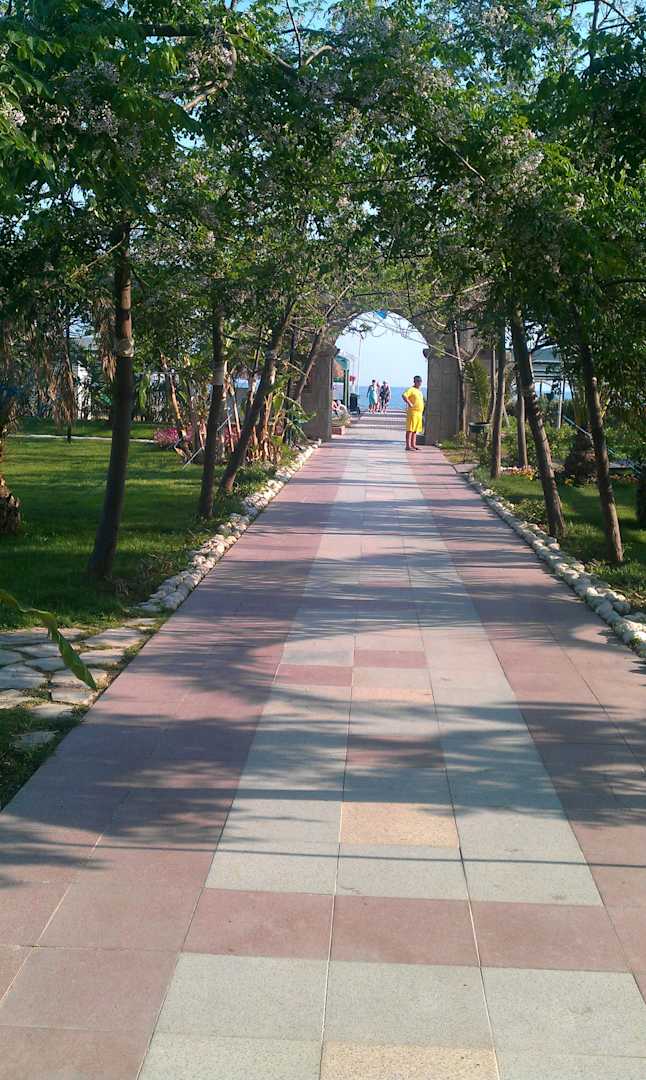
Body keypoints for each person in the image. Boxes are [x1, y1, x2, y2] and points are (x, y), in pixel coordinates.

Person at [402, 376, 424, 451]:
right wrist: (409, 403)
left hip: (419, 413)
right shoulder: (411, 389)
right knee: (410, 429)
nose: (419, 383)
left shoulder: (419, 391)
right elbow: (404, 395)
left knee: (415, 430)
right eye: (418, 381)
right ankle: (408, 446)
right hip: (413, 412)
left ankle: (413, 445)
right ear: (414, 382)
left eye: (420, 381)